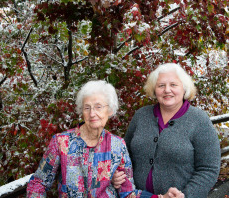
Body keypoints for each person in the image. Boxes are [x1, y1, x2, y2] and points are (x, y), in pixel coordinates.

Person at [26, 80, 184, 198]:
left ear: (110, 110)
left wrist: (160, 197)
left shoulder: (117, 145)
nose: (92, 113)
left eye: (98, 107)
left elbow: (127, 192)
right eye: (87, 108)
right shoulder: (62, 142)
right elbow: (39, 183)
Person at [112, 63, 221, 198]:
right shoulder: (141, 115)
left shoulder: (199, 120)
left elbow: (209, 169)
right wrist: (117, 175)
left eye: (173, 85)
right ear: (154, 89)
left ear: (184, 88)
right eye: (161, 85)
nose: (167, 90)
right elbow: (124, 156)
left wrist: (186, 195)